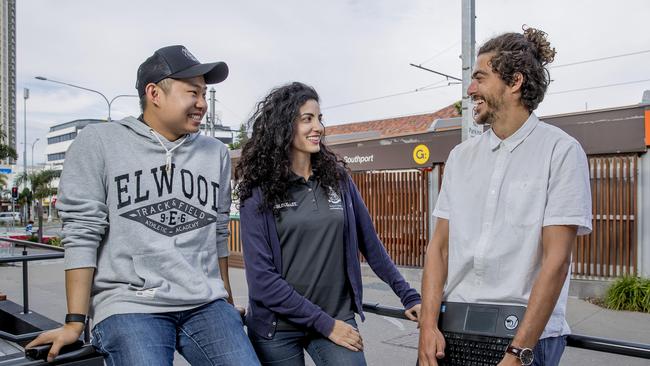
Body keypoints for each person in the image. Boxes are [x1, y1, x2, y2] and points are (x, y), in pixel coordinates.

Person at [26, 45, 259, 365]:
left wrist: (228, 303)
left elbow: (217, 232)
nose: (203, 104)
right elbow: (82, 232)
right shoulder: (100, 142)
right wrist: (74, 321)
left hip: (205, 304)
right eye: (193, 92)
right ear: (155, 93)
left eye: (205, 93)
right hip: (130, 306)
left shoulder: (214, 152)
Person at [417, 27, 592, 366]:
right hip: (452, 330)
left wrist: (518, 352)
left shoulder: (561, 152)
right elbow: (438, 246)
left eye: (480, 78)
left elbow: (556, 262)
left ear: (514, 82)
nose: (470, 90)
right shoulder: (460, 158)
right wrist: (427, 325)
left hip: (525, 338)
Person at [236, 82, 422, 366]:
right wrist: (325, 324)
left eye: (320, 118)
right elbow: (262, 282)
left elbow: (370, 244)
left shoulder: (337, 179)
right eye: (307, 119)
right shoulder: (258, 191)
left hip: (336, 315)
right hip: (278, 329)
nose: (318, 127)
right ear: (283, 126)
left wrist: (408, 295)